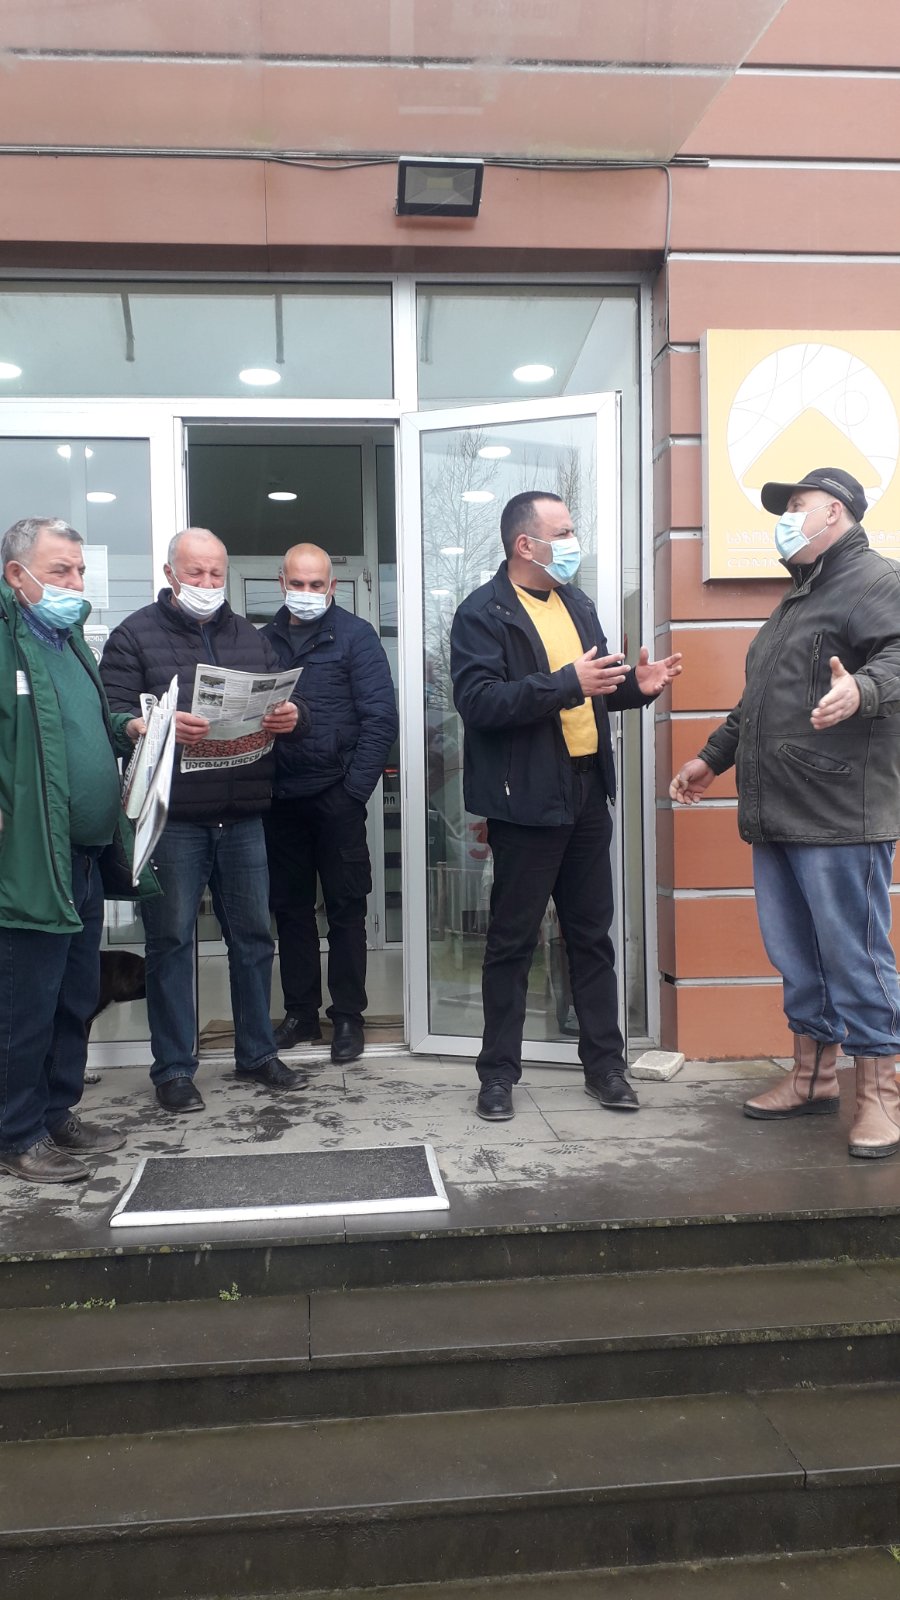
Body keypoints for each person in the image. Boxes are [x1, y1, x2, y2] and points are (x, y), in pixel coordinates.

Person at [670, 467, 900, 1160]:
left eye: (797, 505)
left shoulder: (875, 581)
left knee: (855, 956)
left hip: (840, 811)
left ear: (835, 512)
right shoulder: (797, 599)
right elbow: (757, 704)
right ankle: (813, 1076)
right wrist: (711, 759)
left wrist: (863, 690)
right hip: (779, 811)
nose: (786, 518)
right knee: (798, 956)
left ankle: (881, 1096)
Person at [450, 491, 682, 1121]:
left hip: (585, 794)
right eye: (564, 533)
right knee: (512, 943)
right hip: (524, 802)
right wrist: (564, 683)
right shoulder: (482, 613)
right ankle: (498, 1076)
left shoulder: (577, 603)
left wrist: (637, 687)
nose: (574, 543)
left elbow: (595, 690)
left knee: (591, 938)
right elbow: (479, 703)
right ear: (526, 544)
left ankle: (605, 1068)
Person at [100, 527, 307, 1113]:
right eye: (196, 573)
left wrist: (294, 716)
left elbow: (287, 700)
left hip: (243, 815)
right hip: (175, 819)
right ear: (171, 574)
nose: (209, 584)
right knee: (170, 942)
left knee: (253, 939)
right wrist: (149, 726)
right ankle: (173, 1069)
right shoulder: (133, 635)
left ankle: (257, 1052)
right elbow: (112, 712)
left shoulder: (250, 637)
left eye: (217, 573)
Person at [0, 517, 147, 1183]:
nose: (76, 583)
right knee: (24, 1004)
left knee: (73, 994)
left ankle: (57, 1112)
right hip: (33, 858)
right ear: (17, 574)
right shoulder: (8, 643)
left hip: (85, 855)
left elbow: (79, 728)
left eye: (80, 571)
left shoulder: (67, 641)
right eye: (61, 570)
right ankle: (16, 1133)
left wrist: (126, 727)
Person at [262, 543, 399, 1064]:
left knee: (346, 910)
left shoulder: (356, 637)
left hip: (336, 797)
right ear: (281, 582)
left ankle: (347, 1018)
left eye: (316, 585)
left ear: (332, 587)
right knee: (290, 911)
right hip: (280, 799)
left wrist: (352, 792)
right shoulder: (261, 641)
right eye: (297, 583)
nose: (306, 593)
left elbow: (380, 720)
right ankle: (301, 1014)